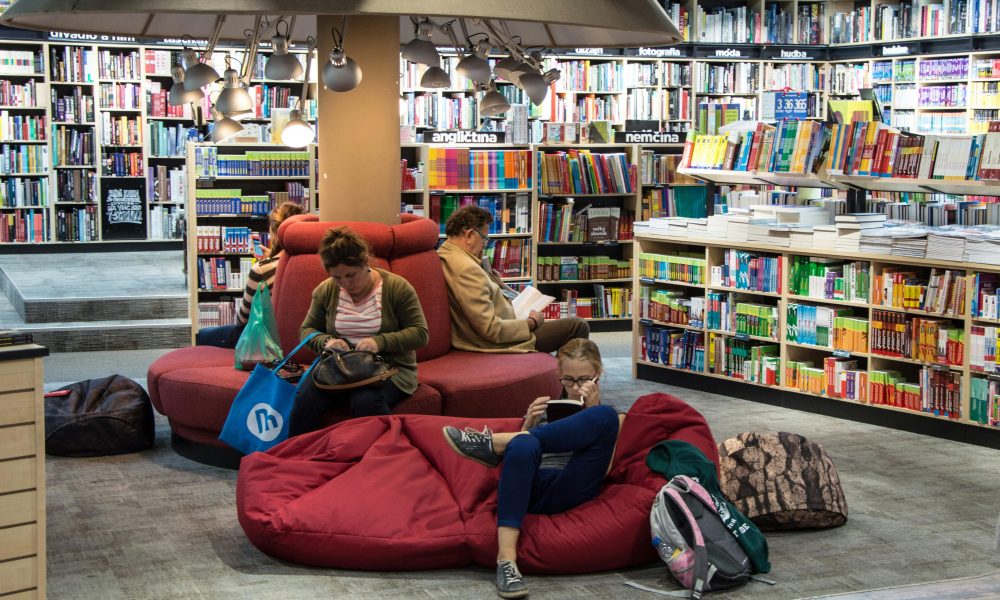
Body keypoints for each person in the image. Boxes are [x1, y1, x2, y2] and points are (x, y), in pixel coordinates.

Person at [442, 339, 622, 599]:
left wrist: (591, 409)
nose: (575, 387)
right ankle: (506, 563)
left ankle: (494, 443)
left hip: (572, 483)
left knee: (604, 417)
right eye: (567, 380)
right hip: (534, 487)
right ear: (559, 376)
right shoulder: (547, 410)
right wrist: (526, 425)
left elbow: (603, 472)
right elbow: (521, 464)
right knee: (524, 443)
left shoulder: (612, 417)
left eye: (583, 380)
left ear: (598, 374)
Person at [288, 226, 429, 436]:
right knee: (304, 398)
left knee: (365, 400)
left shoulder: (397, 288)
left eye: (351, 275)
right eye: (337, 277)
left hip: (388, 368)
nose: (345, 284)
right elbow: (306, 330)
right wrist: (327, 342)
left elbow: (420, 333)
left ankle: (386, 459)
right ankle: (294, 456)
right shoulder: (326, 290)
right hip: (337, 367)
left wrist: (378, 342)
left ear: (365, 262)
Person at [437, 205, 589, 353]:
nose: (484, 246)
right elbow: (490, 329)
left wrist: (500, 285)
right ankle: (569, 376)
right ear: (469, 235)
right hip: (500, 342)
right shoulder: (467, 269)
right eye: (484, 239)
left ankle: (563, 374)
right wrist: (531, 322)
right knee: (577, 325)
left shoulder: (448, 254)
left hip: (507, 325)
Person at [195, 201, 306, 348]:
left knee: (203, 335)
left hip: (268, 338)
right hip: (302, 336)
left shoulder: (263, 269)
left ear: (274, 230)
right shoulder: (311, 263)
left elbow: (242, 319)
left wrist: (267, 262)